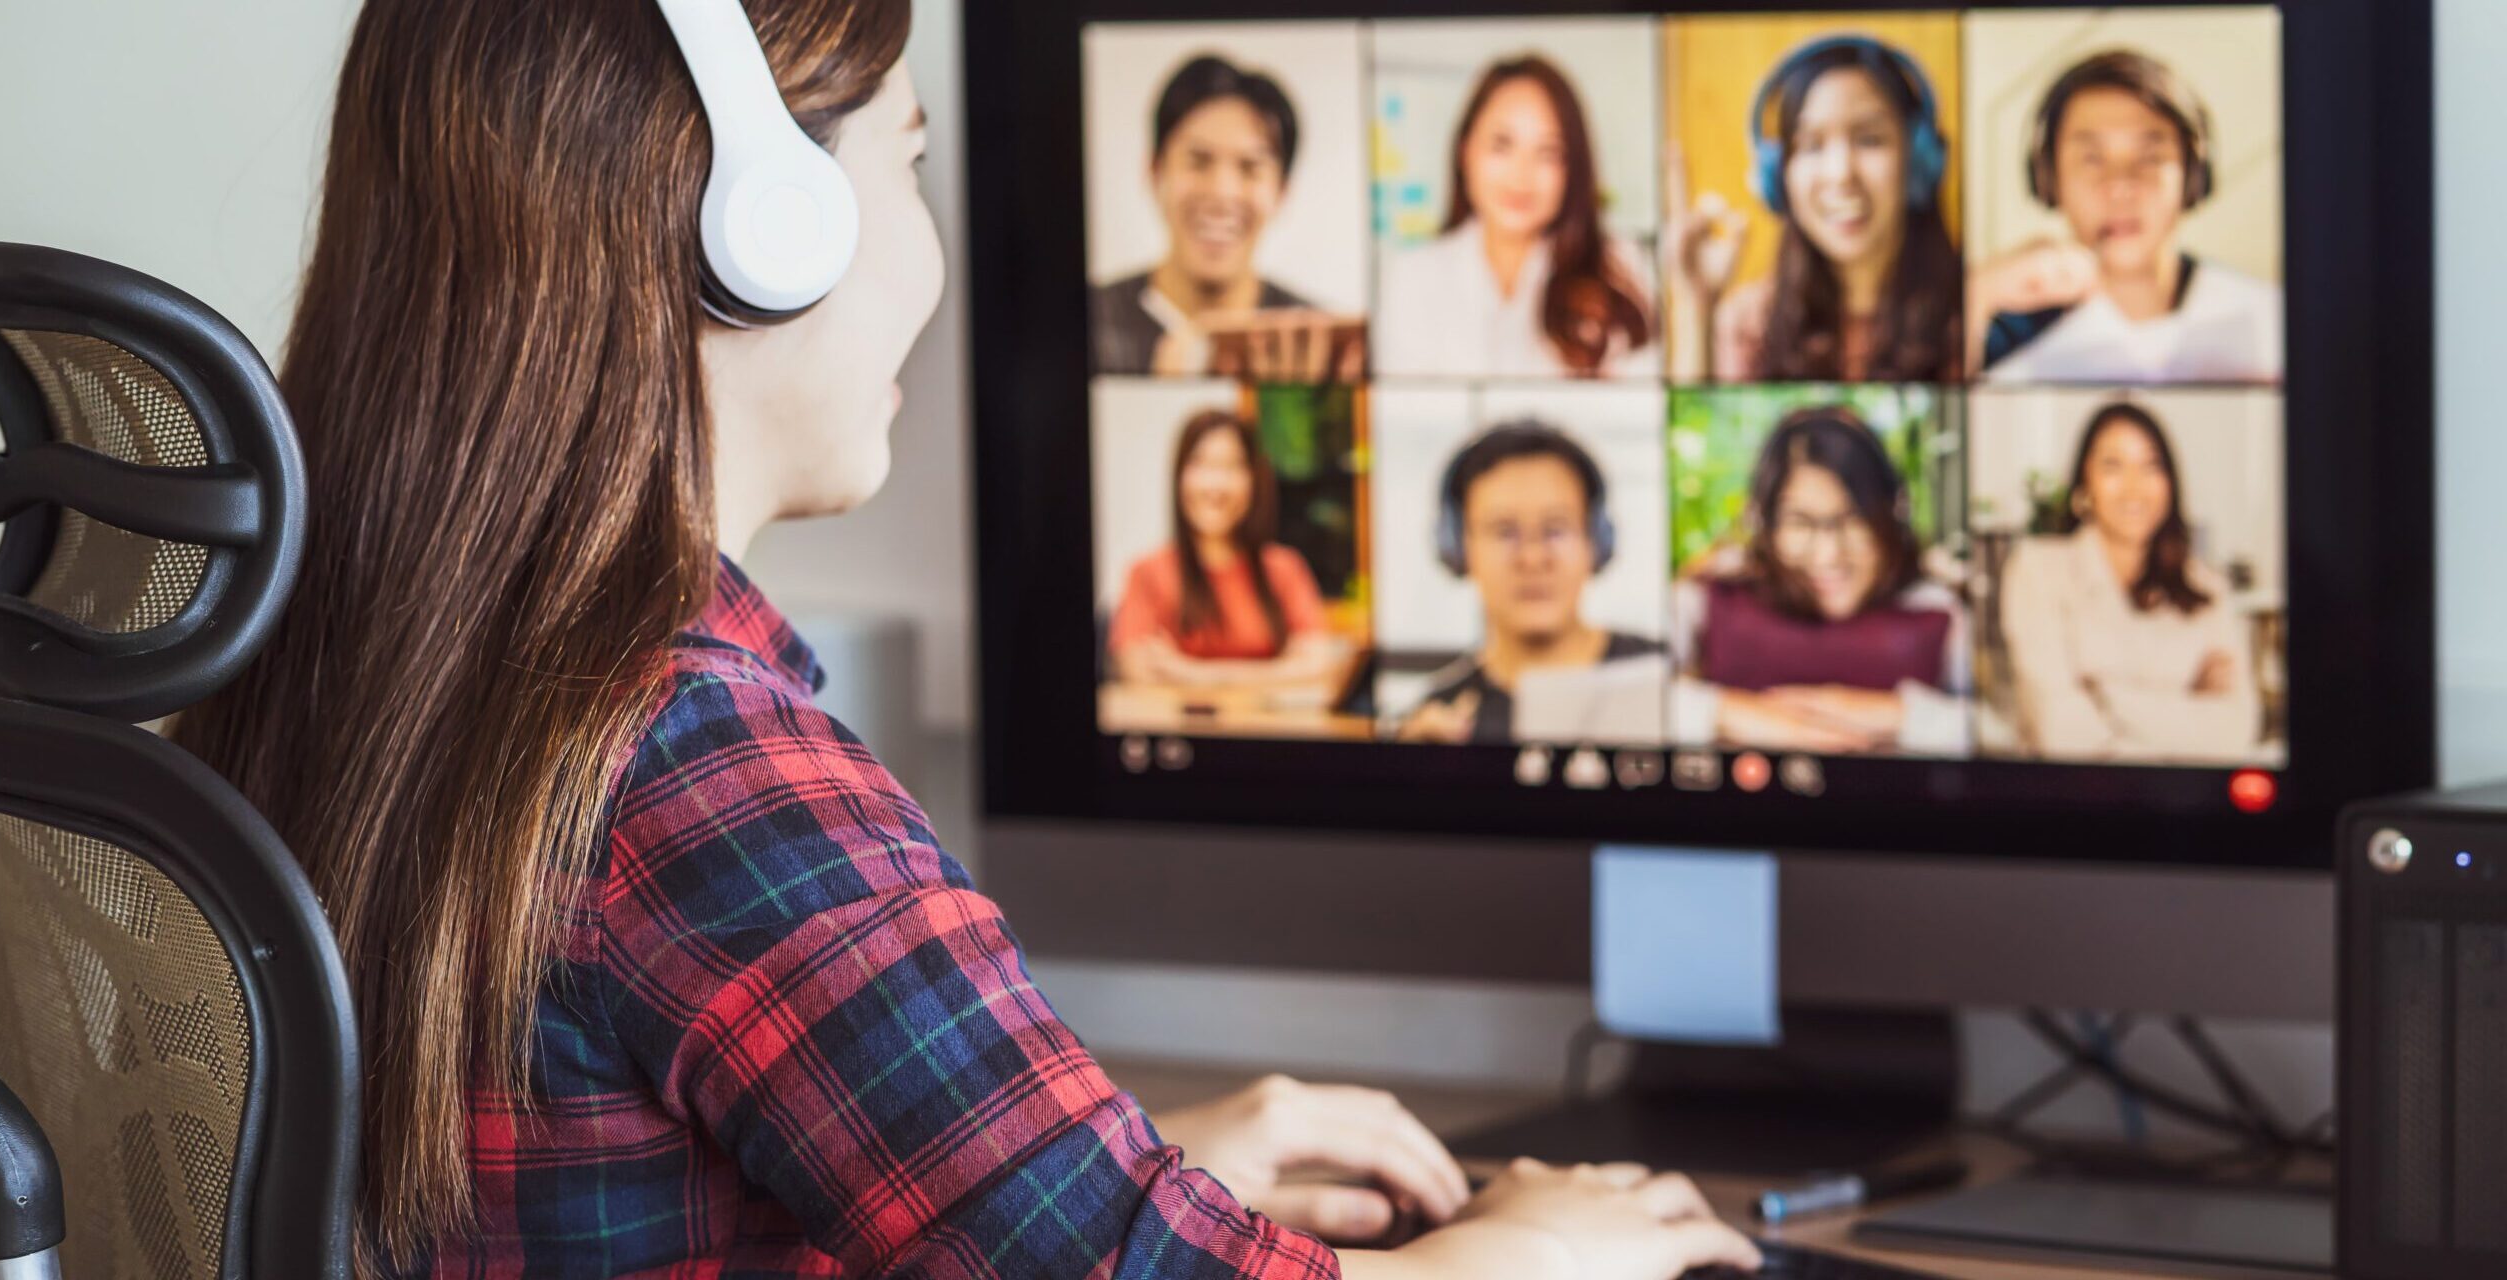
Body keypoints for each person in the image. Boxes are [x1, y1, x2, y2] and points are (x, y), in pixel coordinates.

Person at [170, 2, 1761, 1277]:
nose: (928, 255)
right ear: (760, 227)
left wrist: (1122, 1170)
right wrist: (1545, 1245)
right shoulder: (694, 760)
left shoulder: (331, 654)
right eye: (910, 161)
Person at [1672, 407, 1971, 756]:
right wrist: (1731, 713)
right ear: (1763, 523)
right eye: (1800, 522)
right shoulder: (1713, 591)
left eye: (1854, 519)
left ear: (1893, 513)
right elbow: (1625, 692)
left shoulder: (1937, 607)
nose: (1829, 555)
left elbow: (2009, 729)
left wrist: (1899, 715)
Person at [1969, 51, 2281, 384]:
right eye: (2091, 159)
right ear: (2048, 176)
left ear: (2191, 175)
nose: (2119, 188)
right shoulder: (1995, 330)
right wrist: (1977, 293)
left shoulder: (2268, 319)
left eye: (2149, 157)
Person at [1668, 35, 1963, 384]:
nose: (1840, 175)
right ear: (1778, 176)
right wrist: (1698, 306)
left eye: (1869, 139)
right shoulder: (1747, 323)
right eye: (1810, 145)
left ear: (1917, 160)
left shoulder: (1971, 309)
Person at [1996, 401, 2262, 762]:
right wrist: (2186, 702)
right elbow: (2059, 733)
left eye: (2151, 465)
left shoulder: (2205, 586)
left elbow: (2235, 731)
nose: (2134, 487)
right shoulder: (2038, 569)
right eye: (2113, 466)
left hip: (2186, 810)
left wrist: (2106, 695)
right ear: (2084, 483)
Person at [1375, 55, 1658, 380]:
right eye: (1502, 145)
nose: (1521, 176)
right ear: (1465, 151)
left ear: (1572, 168)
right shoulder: (1414, 276)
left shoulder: (1619, 266)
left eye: (1548, 153)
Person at [1092, 54, 1365, 381]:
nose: (1222, 194)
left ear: (1281, 192)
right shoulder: (1090, 319)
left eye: (1250, 167)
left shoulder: (1320, 340)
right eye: (1198, 161)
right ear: (1154, 172)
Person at [1400, 421, 1665, 745]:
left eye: (1555, 529)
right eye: (1504, 531)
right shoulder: (1436, 716)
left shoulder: (1665, 675)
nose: (1532, 559)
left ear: (1596, 540)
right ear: (1457, 546)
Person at [1108, 408, 1355, 700]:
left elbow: (1319, 667)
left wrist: (1195, 675)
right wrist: (1276, 673)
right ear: (1179, 476)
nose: (1216, 485)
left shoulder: (1284, 568)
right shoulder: (1147, 571)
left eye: (1231, 466)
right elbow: (1138, 674)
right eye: (1201, 464)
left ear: (1253, 480)